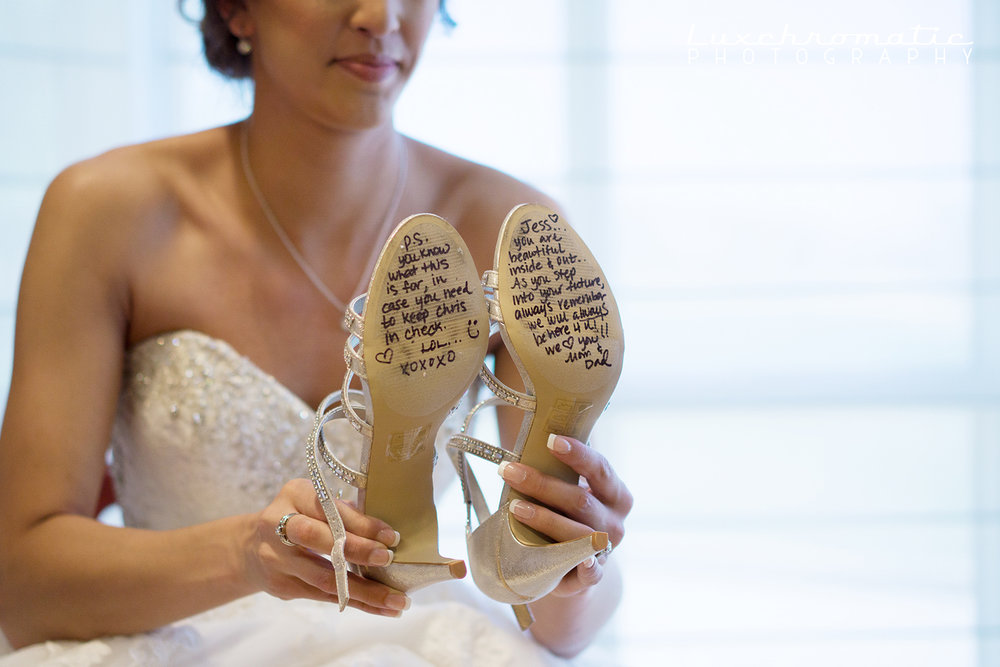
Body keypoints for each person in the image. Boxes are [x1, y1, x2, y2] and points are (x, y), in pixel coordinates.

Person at [0, 0, 633, 663]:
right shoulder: (108, 212)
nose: (381, 16)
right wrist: (240, 554)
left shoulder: (507, 227)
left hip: (418, 639)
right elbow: (21, 582)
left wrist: (572, 560)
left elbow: (558, 628)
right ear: (237, 10)